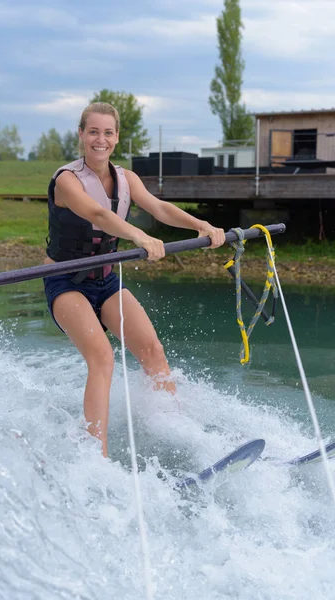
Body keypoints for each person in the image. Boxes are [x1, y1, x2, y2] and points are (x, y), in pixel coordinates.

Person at [44, 102, 225, 457]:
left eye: (107, 132)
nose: (100, 139)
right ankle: (96, 456)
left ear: (116, 137)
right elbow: (97, 213)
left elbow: (158, 208)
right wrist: (139, 237)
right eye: (93, 131)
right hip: (65, 282)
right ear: (81, 135)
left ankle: (177, 433)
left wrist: (200, 224)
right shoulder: (66, 180)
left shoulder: (127, 178)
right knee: (102, 357)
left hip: (107, 280)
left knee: (152, 350)